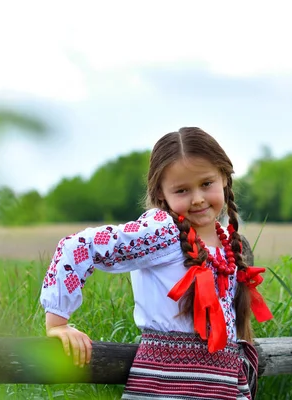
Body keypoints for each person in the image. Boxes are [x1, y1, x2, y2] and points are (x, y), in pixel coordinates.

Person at [39, 127, 273, 399]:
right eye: (182, 190)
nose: (197, 198)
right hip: (166, 388)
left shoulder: (230, 244)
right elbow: (77, 247)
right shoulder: (162, 232)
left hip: (221, 387)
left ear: (224, 177)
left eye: (206, 184)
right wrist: (57, 322)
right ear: (162, 194)